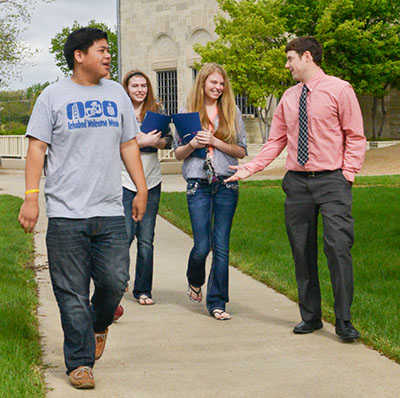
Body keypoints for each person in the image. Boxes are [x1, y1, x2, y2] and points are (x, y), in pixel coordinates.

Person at [18, 27, 147, 389]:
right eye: (102, 50)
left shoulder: (117, 94)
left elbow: (128, 145)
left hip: (108, 209)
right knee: (71, 293)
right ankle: (79, 363)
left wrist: (141, 189)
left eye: (109, 51)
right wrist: (31, 196)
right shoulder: (52, 96)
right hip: (65, 214)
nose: (109, 56)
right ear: (79, 55)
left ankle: (99, 325)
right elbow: (37, 149)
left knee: (113, 282)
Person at [226, 36, 366, 340]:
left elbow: (355, 136)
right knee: (302, 252)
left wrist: (348, 174)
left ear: (307, 57)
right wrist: (250, 167)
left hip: (332, 181)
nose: (287, 65)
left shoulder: (340, 90)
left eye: (290, 59)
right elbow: (276, 141)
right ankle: (311, 316)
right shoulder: (288, 97)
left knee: (337, 248)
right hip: (298, 184)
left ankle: (344, 321)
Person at [174, 63, 247, 320]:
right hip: (198, 185)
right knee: (202, 245)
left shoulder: (231, 112)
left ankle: (217, 302)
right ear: (202, 83)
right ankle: (195, 280)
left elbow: (241, 151)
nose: (217, 87)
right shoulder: (187, 114)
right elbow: (177, 153)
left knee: (222, 245)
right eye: (213, 83)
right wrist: (193, 143)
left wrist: (216, 142)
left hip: (227, 183)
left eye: (221, 83)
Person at [121, 70, 173, 305]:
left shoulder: (156, 112)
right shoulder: (120, 113)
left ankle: (143, 290)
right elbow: (112, 142)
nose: (140, 89)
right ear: (127, 88)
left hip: (152, 181)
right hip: (124, 181)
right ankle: (119, 279)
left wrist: (157, 142)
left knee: (146, 238)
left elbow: (169, 141)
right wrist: (140, 141)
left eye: (143, 85)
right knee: (124, 235)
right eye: (135, 86)